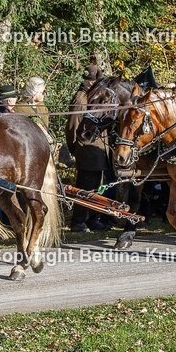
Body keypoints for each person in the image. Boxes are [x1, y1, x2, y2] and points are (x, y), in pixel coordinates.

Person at [65, 65, 112, 231]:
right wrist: (75, 149)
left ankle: (93, 218)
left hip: (98, 150)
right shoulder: (81, 99)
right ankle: (78, 221)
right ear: (90, 81)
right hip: (86, 150)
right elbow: (73, 126)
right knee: (85, 187)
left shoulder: (92, 97)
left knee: (97, 187)